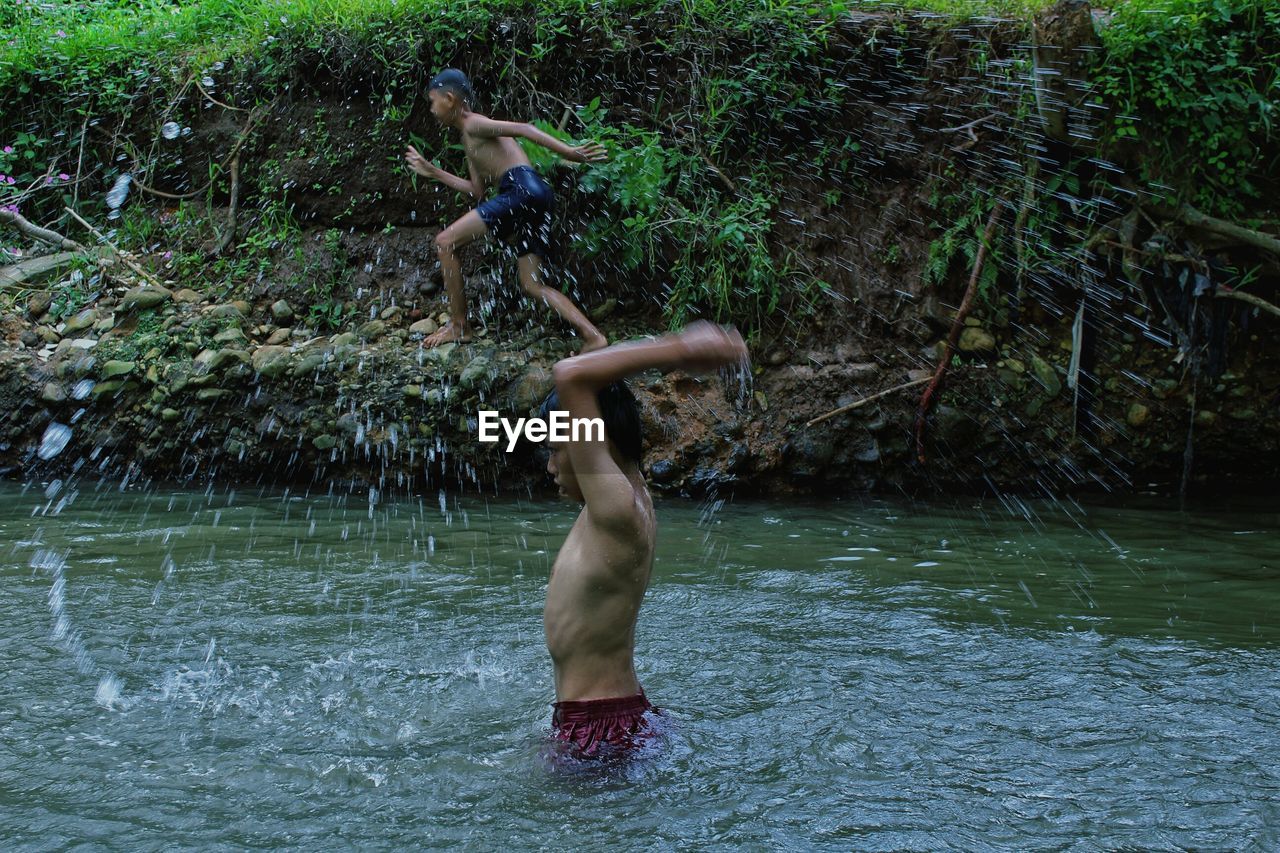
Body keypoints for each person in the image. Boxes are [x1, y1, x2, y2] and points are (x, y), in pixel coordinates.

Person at [540, 321, 748, 757]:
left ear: (594, 443)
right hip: (608, 716)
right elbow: (583, 375)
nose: (552, 466)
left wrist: (677, 350)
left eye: (558, 448)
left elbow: (571, 375)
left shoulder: (615, 506)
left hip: (597, 729)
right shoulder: (628, 498)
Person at [404, 69, 609, 352]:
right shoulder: (468, 137)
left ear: (449, 99)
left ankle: (460, 326)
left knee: (445, 242)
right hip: (537, 193)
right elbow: (476, 190)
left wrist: (570, 152)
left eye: (432, 101)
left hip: (520, 189)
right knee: (532, 285)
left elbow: (526, 129)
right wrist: (432, 171)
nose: (431, 108)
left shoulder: (475, 124)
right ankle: (593, 336)